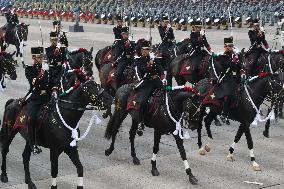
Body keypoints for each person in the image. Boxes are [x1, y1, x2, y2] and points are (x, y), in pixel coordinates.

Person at [134, 40, 165, 128]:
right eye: (143, 50)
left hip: (156, 80)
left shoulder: (154, 59)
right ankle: (141, 122)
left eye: (147, 49)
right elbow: (144, 71)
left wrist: (163, 78)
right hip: (146, 82)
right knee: (143, 102)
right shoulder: (139, 60)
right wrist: (150, 64)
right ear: (141, 50)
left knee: (167, 93)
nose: (145, 51)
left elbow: (160, 69)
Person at [25, 47, 50, 154]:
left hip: (48, 96)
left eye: (42, 57)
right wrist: (42, 72)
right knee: (31, 118)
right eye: (39, 57)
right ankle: (32, 144)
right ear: (34, 58)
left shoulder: (48, 67)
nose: (41, 59)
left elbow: (53, 81)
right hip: (36, 97)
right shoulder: (29, 69)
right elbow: (34, 83)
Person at [215, 37, 242, 125]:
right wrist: (234, 60)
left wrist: (239, 56)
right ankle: (223, 114)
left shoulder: (233, 56)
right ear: (225, 47)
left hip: (235, 78)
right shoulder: (222, 56)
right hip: (225, 79)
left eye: (232, 46)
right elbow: (230, 65)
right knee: (228, 95)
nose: (231, 47)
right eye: (229, 46)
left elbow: (238, 67)